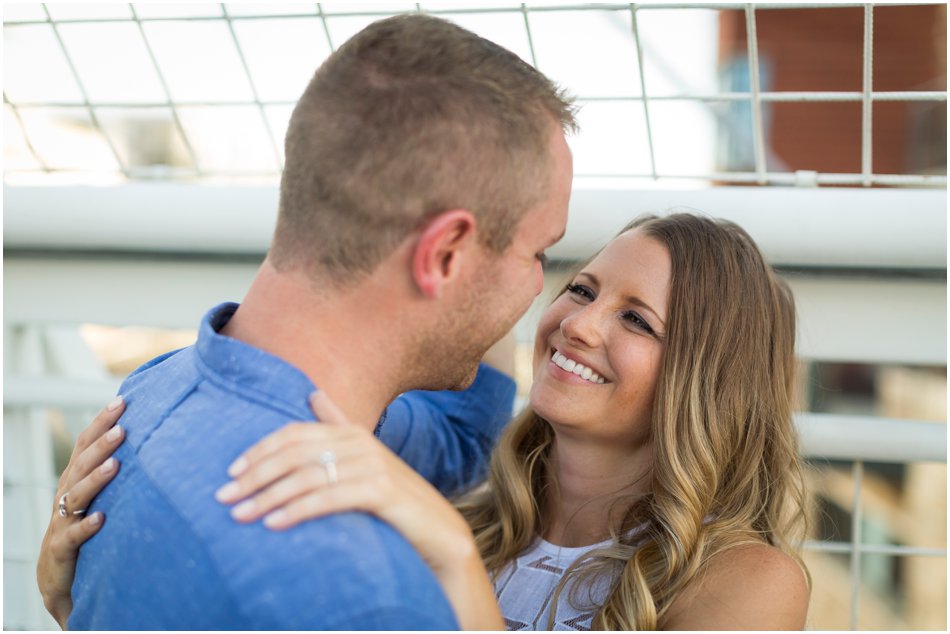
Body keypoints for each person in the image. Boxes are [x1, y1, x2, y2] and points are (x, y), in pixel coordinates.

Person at [44, 12, 576, 630]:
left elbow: (461, 445)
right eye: (537, 252)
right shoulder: (366, 591)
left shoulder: (150, 393)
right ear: (444, 254)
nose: (541, 284)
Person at [42, 213, 812, 630]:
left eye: (636, 320)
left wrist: (447, 553)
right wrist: (81, 585)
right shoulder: (471, 504)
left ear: (706, 381)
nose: (577, 324)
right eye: (580, 289)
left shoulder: (751, 582)